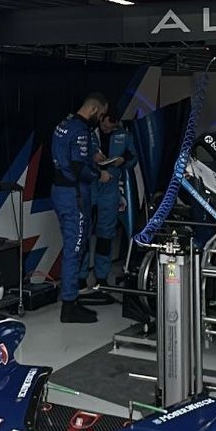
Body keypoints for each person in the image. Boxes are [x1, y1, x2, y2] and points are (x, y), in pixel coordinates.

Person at [50, 92, 107, 323]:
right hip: (74, 196)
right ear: (93, 109)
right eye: (101, 114)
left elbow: (68, 155)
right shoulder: (81, 131)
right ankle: (69, 306)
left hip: (59, 191)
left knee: (71, 247)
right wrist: (99, 174)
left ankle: (71, 298)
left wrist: (91, 157)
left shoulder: (64, 124)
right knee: (75, 248)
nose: (100, 119)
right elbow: (77, 168)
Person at [92, 111, 139, 287]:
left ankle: (101, 278)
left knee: (106, 235)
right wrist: (92, 157)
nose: (107, 130)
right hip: (89, 185)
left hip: (110, 188)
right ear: (101, 118)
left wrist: (123, 160)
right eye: (105, 126)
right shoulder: (87, 132)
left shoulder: (123, 135)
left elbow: (133, 157)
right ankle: (80, 279)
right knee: (82, 234)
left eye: (111, 128)